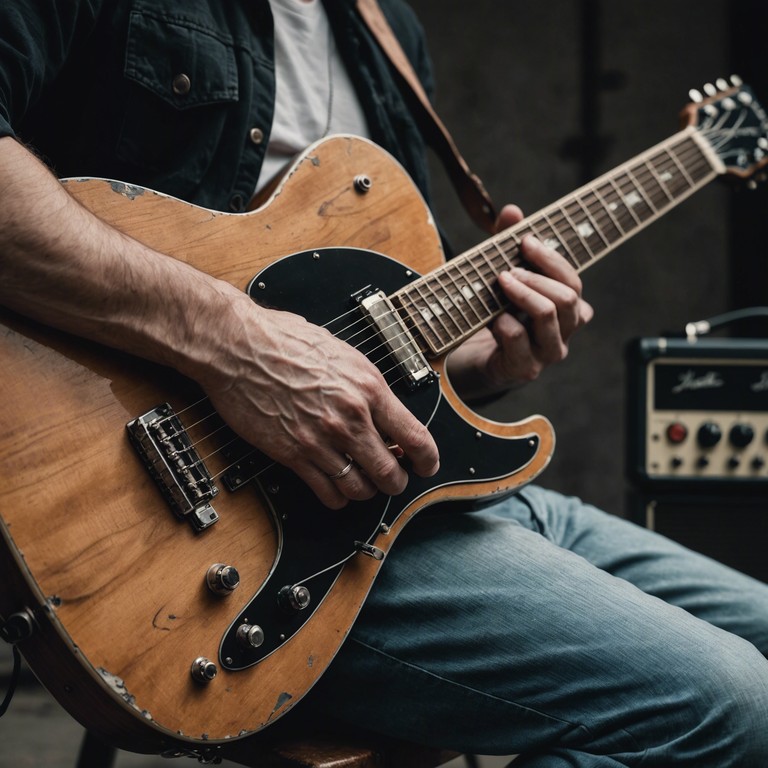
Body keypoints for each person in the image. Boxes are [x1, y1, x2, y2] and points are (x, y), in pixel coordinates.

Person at [0, 1, 767, 765]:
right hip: (240, 545)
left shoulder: (385, 27)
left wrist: (482, 370)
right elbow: (278, 359)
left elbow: (374, 347)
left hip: (425, 499)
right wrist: (235, 345)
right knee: (734, 704)